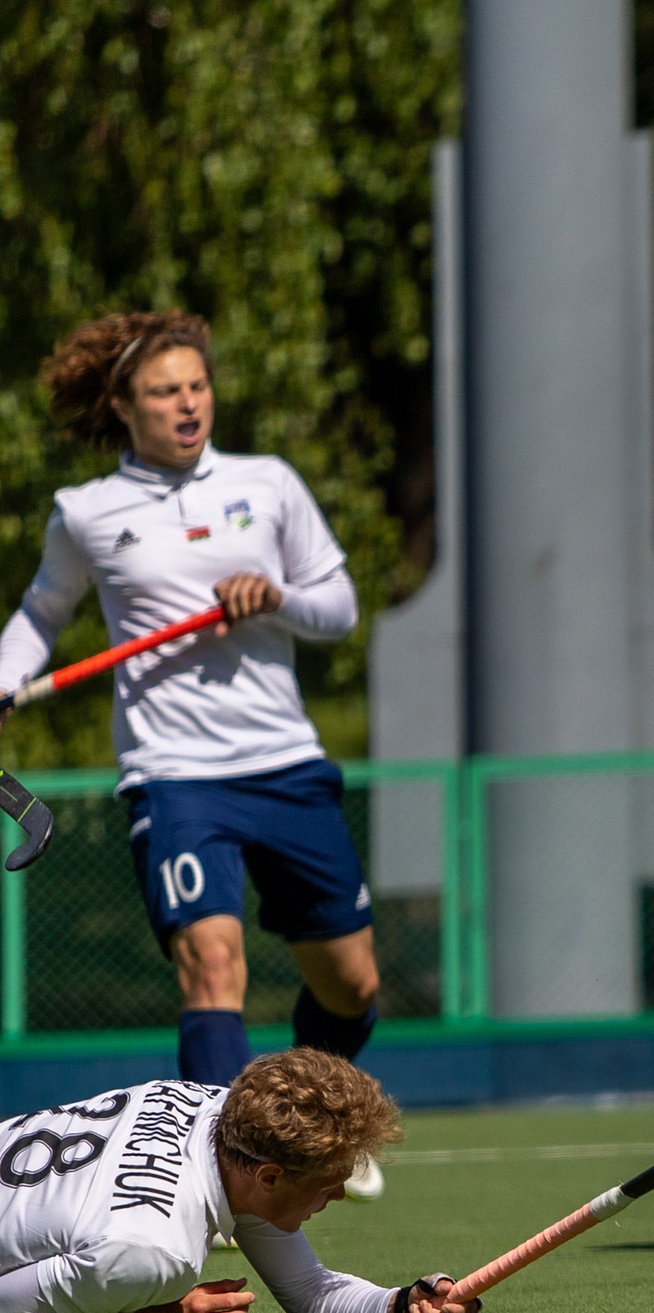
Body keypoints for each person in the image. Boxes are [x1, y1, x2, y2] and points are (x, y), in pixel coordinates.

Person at [5, 312, 387, 1198]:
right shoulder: (87, 512)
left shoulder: (269, 483)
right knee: (212, 962)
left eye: (197, 386)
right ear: (124, 407)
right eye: (164, 391)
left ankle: (313, 1122)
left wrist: (277, 597)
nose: (187, 404)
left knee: (351, 981)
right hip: (173, 772)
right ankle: (219, 1177)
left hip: (286, 762)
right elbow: (38, 621)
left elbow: (338, 607)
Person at [0, 1047, 478, 1313]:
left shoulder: (210, 1108)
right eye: (330, 1180)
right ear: (270, 1178)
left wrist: (400, 1306)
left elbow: (310, 1295)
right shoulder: (153, 1250)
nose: (338, 1193)